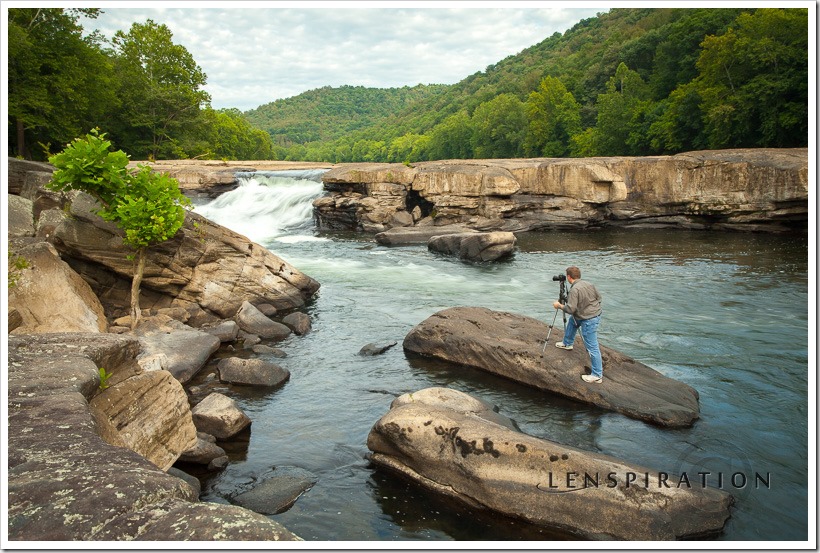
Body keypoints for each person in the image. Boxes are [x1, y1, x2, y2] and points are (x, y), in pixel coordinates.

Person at [552, 266, 604, 383]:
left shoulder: (575, 290)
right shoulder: (589, 284)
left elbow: (570, 309)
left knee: (592, 347)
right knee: (572, 322)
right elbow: (599, 298)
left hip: (588, 319)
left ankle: (597, 375)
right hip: (591, 314)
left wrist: (559, 305)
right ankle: (567, 343)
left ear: (569, 277)